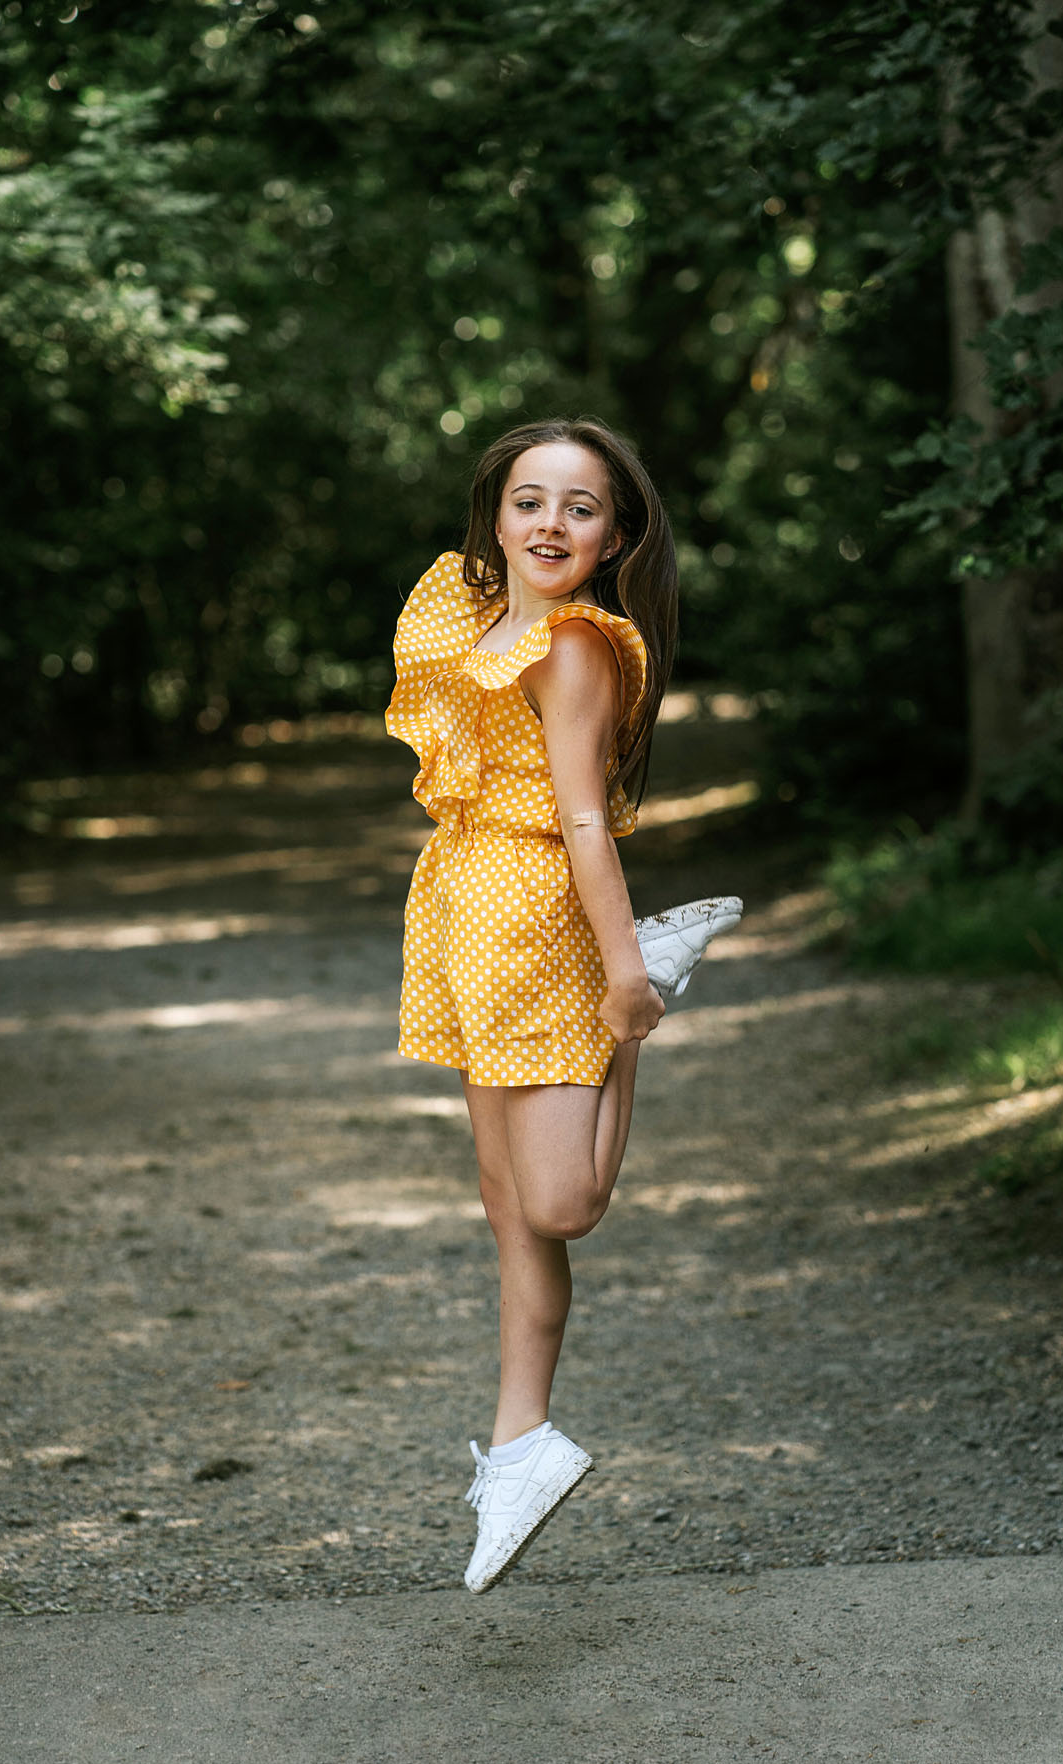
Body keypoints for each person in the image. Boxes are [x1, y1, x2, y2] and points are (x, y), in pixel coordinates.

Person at [385, 417, 741, 1593]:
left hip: (539, 913)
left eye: (578, 508)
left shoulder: (578, 646)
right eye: (528, 500)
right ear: (496, 514)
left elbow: (587, 818)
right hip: (463, 909)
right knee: (508, 1213)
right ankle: (523, 1441)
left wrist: (620, 975)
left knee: (566, 1198)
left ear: (614, 535)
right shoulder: (474, 617)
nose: (549, 522)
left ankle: (642, 972)